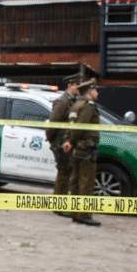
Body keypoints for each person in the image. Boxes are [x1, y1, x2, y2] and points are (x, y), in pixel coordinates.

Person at [62, 79, 100, 227]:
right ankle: (84, 215)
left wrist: (69, 141)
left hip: (77, 149)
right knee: (86, 182)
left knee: (76, 182)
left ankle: (75, 213)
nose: (97, 93)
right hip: (85, 149)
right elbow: (79, 128)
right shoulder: (88, 107)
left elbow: (70, 126)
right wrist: (71, 140)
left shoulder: (77, 105)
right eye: (96, 90)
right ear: (91, 92)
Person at [46, 73, 81, 217]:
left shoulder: (71, 101)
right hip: (61, 142)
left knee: (66, 173)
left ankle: (60, 204)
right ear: (70, 86)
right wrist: (54, 142)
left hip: (67, 142)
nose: (79, 89)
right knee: (64, 174)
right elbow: (53, 123)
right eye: (77, 86)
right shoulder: (63, 101)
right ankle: (58, 206)